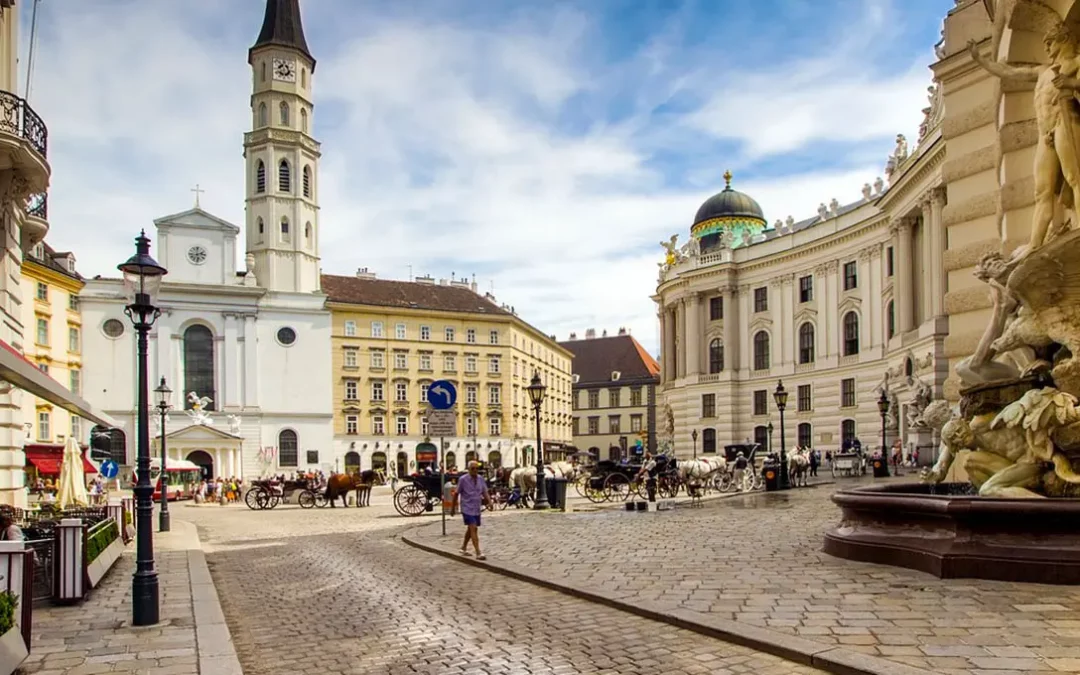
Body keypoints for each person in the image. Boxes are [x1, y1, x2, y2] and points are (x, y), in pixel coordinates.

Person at [452, 461, 488, 560]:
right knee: (473, 528)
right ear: (468, 469)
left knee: (471, 528)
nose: (475, 470)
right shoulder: (463, 479)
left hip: (476, 508)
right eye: (473, 468)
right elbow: (456, 494)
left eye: (477, 468)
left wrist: (489, 502)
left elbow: (485, 491)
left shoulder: (480, 479)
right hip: (466, 507)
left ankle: (463, 547)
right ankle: (478, 552)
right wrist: (453, 508)